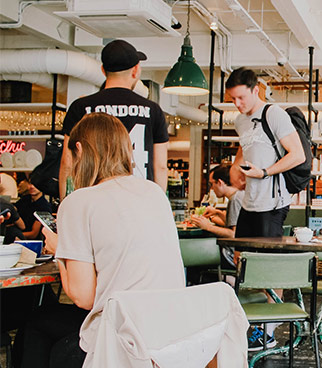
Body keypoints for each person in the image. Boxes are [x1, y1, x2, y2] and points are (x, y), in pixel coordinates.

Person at [15, 113, 184, 368]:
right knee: (43, 323)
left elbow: (83, 298)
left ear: (79, 150)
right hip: (166, 329)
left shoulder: (78, 202)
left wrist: (60, 249)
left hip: (122, 336)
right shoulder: (154, 192)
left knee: (38, 327)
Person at [59, 39, 169, 199]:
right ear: (135, 70)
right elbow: (160, 166)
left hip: (94, 199)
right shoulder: (153, 110)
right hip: (139, 199)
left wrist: (65, 204)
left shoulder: (81, 107)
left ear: (103, 70)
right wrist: (158, 205)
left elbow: (67, 163)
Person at [225, 67, 304, 238]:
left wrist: (264, 172)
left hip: (272, 204)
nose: (237, 104)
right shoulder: (240, 121)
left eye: (241, 98)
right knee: (241, 257)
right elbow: (245, 144)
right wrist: (235, 167)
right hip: (248, 203)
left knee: (265, 260)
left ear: (255, 91)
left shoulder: (274, 114)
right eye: (233, 99)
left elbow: (298, 154)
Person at [190, 164, 244, 268]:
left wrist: (208, 227)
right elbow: (238, 223)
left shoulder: (235, 200)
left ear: (219, 182)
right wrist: (217, 212)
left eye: (212, 184)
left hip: (231, 255)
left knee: (196, 253)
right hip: (241, 253)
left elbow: (234, 234)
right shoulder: (239, 195)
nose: (212, 189)